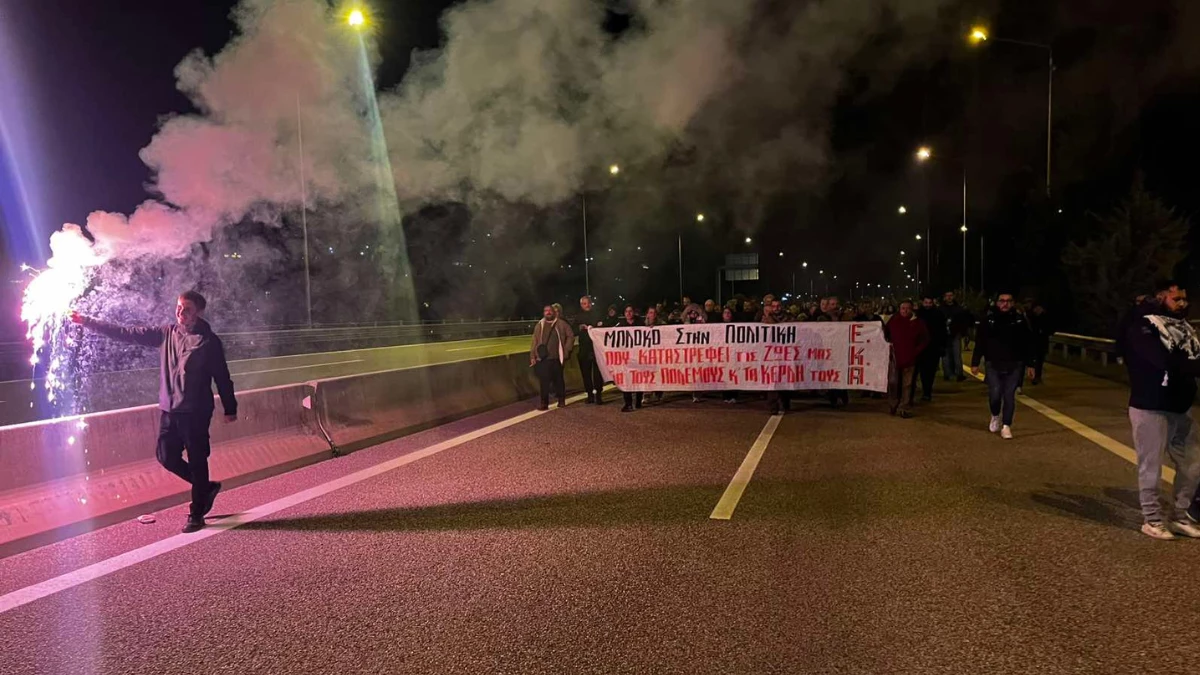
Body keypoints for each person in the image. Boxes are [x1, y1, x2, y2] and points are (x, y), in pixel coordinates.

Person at [71, 291, 236, 533]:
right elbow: (126, 333)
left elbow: (222, 377)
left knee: (198, 460)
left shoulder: (209, 342)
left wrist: (230, 407)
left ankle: (197, 513)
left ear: (198, 312)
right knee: (166, 457)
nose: (181, 313)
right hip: (170, 410)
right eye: (179, 307)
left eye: (187, 309)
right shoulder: (166, 333)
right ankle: (205, 488)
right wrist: (86, 321)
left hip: (196, 412)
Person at [1117, 281, 1200, 540]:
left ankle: (1180, 517)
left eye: (1185, 298)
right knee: (1151, 466)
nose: (1183, 303)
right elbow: (1165, 361)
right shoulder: (1144, 326)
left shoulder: (1185, 328)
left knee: (1193, 464)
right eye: (1177, 299)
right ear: (1161, 297)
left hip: (1181, 406)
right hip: (1150, 406)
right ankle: (1152, 520)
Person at [969, 292, 1035, 439]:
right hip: (993, 362)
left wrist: (1031, 364)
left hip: (1015, 363)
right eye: (1002, 301)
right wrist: (975, 362)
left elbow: (1028, 343)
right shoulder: (989, 320)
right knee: (995, 393)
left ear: (1013, 303)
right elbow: (980, 342)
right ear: (997, 303)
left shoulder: (1019, 321)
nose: (1005, 304)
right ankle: (995, 415)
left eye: (1008, 301)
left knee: (1009, 395)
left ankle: (1006, 425)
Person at [885, 300, 929, 418]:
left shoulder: (918, 323)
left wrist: (915, 351)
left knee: (907, 384)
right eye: (903, 308)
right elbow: (885, 333)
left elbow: (925, 339)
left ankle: (904, 408)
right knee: (893, 382)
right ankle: (893, 404)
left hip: (910, 358)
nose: (905, 311)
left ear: (912, 309)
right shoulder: (894, 321)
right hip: (895, 357)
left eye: (907, 308)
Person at [530, 304, 574, 411]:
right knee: (544, 382)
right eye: (546, 311)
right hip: (543, 359)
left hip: (557, 358)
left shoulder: (561, 324)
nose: (548, 312)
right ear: (543, 313)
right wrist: (533, 355)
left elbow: (570, 336)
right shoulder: (539, 325)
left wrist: (566, 350)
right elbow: (534, 341)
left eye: (550, 310)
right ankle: (544, 403)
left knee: (559, 381)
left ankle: (561, 400)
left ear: (553, 312)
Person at [571, 295, 606, 405]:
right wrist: (579, 328)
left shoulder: (598, 314)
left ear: (591, 303)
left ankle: (598, 395)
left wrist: (600, 326)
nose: (587, 305)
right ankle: (590, 395)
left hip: (597, 348)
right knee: (586, 373)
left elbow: (605, 328)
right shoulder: (578, 317)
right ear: (581, 305)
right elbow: (573, 331)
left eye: (588, 303)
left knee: (598, 373)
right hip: (584, 349)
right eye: (584, 304)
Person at [763, 298, 792, 415]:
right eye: (774, 306)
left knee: (785, 378)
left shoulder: (789, 318)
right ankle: (773, 407)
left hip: (786, 353)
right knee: (772, 381)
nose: (776, 308)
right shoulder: (765, 318)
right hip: (771, 354)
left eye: (778, 306)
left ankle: (785, 404)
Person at [614, 305, 645, 413]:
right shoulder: (620, 325)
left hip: (638, 356)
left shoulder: (640, 323)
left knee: (638, 379)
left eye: (630, 311)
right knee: (626, 380)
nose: (628, 313)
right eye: (626, 311)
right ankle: (628, 403)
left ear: (633, 312)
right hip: (626, 357)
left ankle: (638, 401)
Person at [914, 296, 946, 401]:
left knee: (931, 371)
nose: (928, 305)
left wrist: (942, 346)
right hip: (921, 348)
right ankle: (925, 391)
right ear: (922, 303)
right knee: (922, 370)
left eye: (930, 302)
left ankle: (927, 391)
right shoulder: (918, 314)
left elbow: (943, 330)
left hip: (934, 347)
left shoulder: (938, 314)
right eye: (926, 302)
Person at [940, 291, 973, 381]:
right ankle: (947, 374)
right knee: (946, 355)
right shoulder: (940, 309)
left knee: (957, 355)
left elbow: (963, 321)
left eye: (951, 295)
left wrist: (962, 332)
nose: (949, 297)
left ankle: (959, 374)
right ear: (944, 297)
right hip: (944, 335)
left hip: (956, 334)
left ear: (953, 296)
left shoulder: (959, 309)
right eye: (947, 295)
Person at [1027, 302, 1051, 385]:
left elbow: (1049, 329)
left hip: (1042, 342)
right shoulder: (1031, 317)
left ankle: (1037, 376)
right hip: (1033, 342)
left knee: (1040, 360)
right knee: (1034, 360)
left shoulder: (1046, 317)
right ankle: (1034, 375)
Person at [644, 306, 665, 403]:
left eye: (654, 313)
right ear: (647, 314)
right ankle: (647, 395)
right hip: (646, 354)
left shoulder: (662, 324)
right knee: (647, 374)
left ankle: (658, 394)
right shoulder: (642, 325)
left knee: (658, 374)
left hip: (658, 354)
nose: (652, 315)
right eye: (651, 312)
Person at [720, 307, 740, 403]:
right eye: (725, 312)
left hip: (733, 354)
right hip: (723, 354)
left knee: (734, 374)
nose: (727, 314)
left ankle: (734, 396)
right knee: (724, 374)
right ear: (722, 315)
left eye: (729, 312)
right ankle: (725, 396)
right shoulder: (718, 326)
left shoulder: (737, 326)